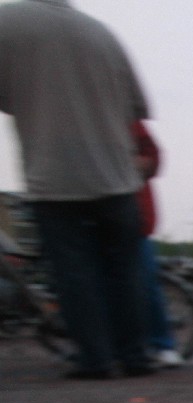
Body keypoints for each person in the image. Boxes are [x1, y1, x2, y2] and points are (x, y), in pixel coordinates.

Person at [0, 0, 153, 379]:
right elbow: (136, 106)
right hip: (116, 176)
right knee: (124, 271)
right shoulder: (102, 33)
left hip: (55, 175)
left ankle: (96, 359)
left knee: (74, 273)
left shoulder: (8, 21)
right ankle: (135, 355)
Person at [132, 120, 183, 368]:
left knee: (145, 281)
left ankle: (162, 343)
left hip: (132, 214)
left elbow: (153, 156)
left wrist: (137, 164)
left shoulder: (128, 121)